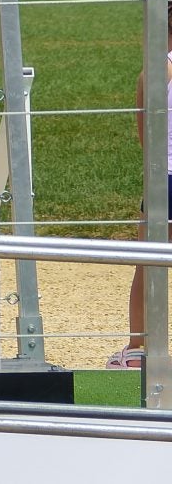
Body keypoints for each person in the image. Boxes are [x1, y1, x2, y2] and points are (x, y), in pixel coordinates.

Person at [107, 47, 172, 370]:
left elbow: (146, 138)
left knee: (148, 262)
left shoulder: (156, 70)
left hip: (167, 176)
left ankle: (138, 350)